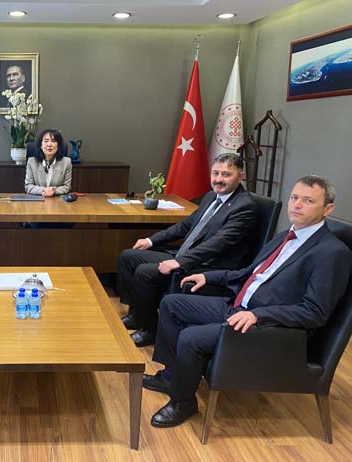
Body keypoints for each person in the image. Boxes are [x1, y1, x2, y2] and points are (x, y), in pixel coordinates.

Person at [145, 175, 352, 428]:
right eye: (294, 197)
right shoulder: (286, 235)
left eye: (308, 201)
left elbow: (314, 312)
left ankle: (182, 402)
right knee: (171, 304)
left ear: (327, 208)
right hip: (238, 307)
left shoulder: (332, 253)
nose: (297, 205)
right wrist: (208, 276)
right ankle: (171, 376)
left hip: (267, 329)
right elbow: (248, 273)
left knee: (190, 337)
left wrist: (258, 316)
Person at [117, 153, 257, 347]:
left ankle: (150, 330)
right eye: (215, 173)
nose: (218, 179)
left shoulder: (245, 207)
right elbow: (185, 225)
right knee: (128, 257)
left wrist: (179, 262)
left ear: (240, 176)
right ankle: (138, 315)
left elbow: (217, 243)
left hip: (209, 265)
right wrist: (150, 240)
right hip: (187, 254)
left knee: (145, 272)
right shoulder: (212, 196)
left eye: (226, 174)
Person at [25, 129, 72, 197]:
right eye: (46, 141)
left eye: (53, 141)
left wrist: (54, 191)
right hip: (37, 200)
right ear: (40, 145)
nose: (49, 144)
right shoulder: (32, 162)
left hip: (57, 200)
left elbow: (67, 186)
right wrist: (43, 190)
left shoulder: (66, 162)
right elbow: (28, 186)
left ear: (58, 145)